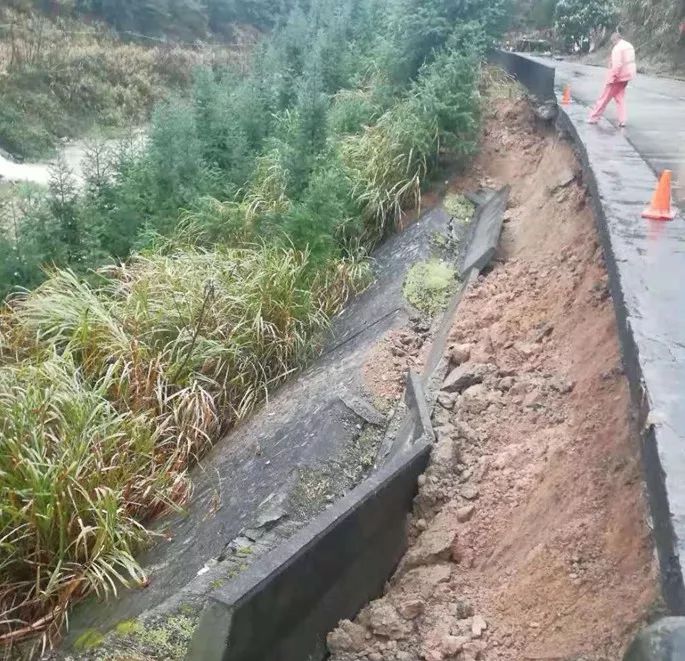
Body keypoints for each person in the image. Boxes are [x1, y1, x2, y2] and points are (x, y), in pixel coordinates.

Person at [588, 30, 637, 127]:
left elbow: (617, 65)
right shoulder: (629, 45)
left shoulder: (617, 48)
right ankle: (622, 120)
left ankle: (593, 118)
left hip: (618, 77)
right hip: (627, 76)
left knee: (604, 98)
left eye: (613, 42)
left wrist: (612, 78)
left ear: (615, 40)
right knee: (620, 98)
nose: (613, 44)